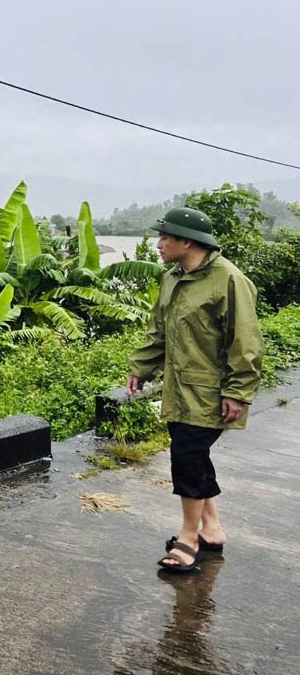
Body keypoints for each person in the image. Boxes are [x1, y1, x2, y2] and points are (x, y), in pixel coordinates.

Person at [127, 207, 264, 574]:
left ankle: (188, 539)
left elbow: (246, 342)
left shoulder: (228, 280)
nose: (158, 244)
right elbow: (159, 330)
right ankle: (213, 530)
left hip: (212, 392)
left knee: (187, 457)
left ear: (187, 241)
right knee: (194, 457)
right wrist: (140, 368)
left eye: (165, 237)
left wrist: (238, 391)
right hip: (177, 389)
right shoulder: (173, 278)